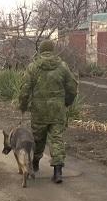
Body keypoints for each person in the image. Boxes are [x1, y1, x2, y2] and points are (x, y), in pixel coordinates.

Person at [18, 39, 78, 184]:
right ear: (52, 50)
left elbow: (25, 89)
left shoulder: (33, 67)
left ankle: (36, 164)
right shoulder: (62, 67)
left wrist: (23, 105)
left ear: (40, 51)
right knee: (56, 139)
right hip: (57, 110)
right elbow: (72, 88)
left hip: (39, 110)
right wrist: (67, 102)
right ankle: (57, 171)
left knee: (38, 139)